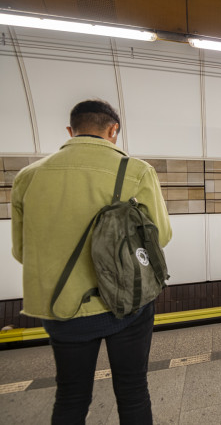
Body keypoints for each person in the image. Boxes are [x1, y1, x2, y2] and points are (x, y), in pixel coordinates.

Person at [11, 100, 172, 424]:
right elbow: (161, 237)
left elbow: (21, 251)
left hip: (60, 307)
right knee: (132, 389)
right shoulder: (136, 171)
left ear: (71, 131)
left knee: (70, 395)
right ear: (113, 130)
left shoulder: (27, 177)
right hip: (126, 305)